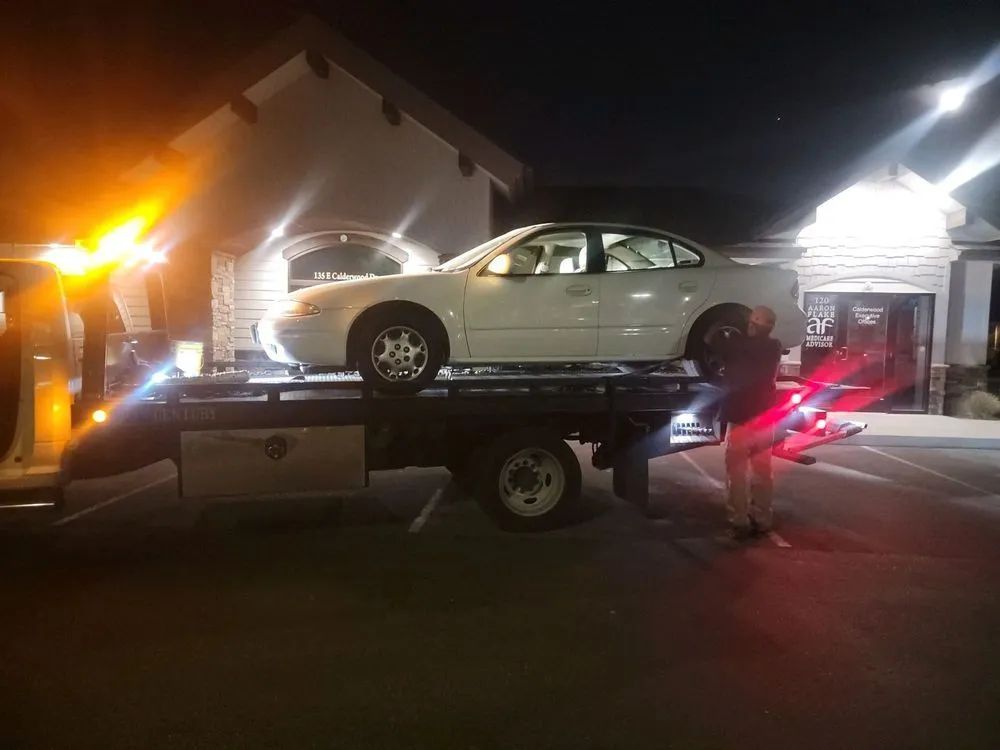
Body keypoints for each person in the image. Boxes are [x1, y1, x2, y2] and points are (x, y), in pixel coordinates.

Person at [708, 306, 782, 540]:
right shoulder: (774, 347)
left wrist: (724, 326)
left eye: (752, 320)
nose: (749, 323)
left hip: (741, 418)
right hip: (764, 418)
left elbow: (709, 339)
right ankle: (762, 519)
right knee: (763, 471)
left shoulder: (738, 346)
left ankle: (739, 519)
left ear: (757, 324)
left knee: (737, 472)